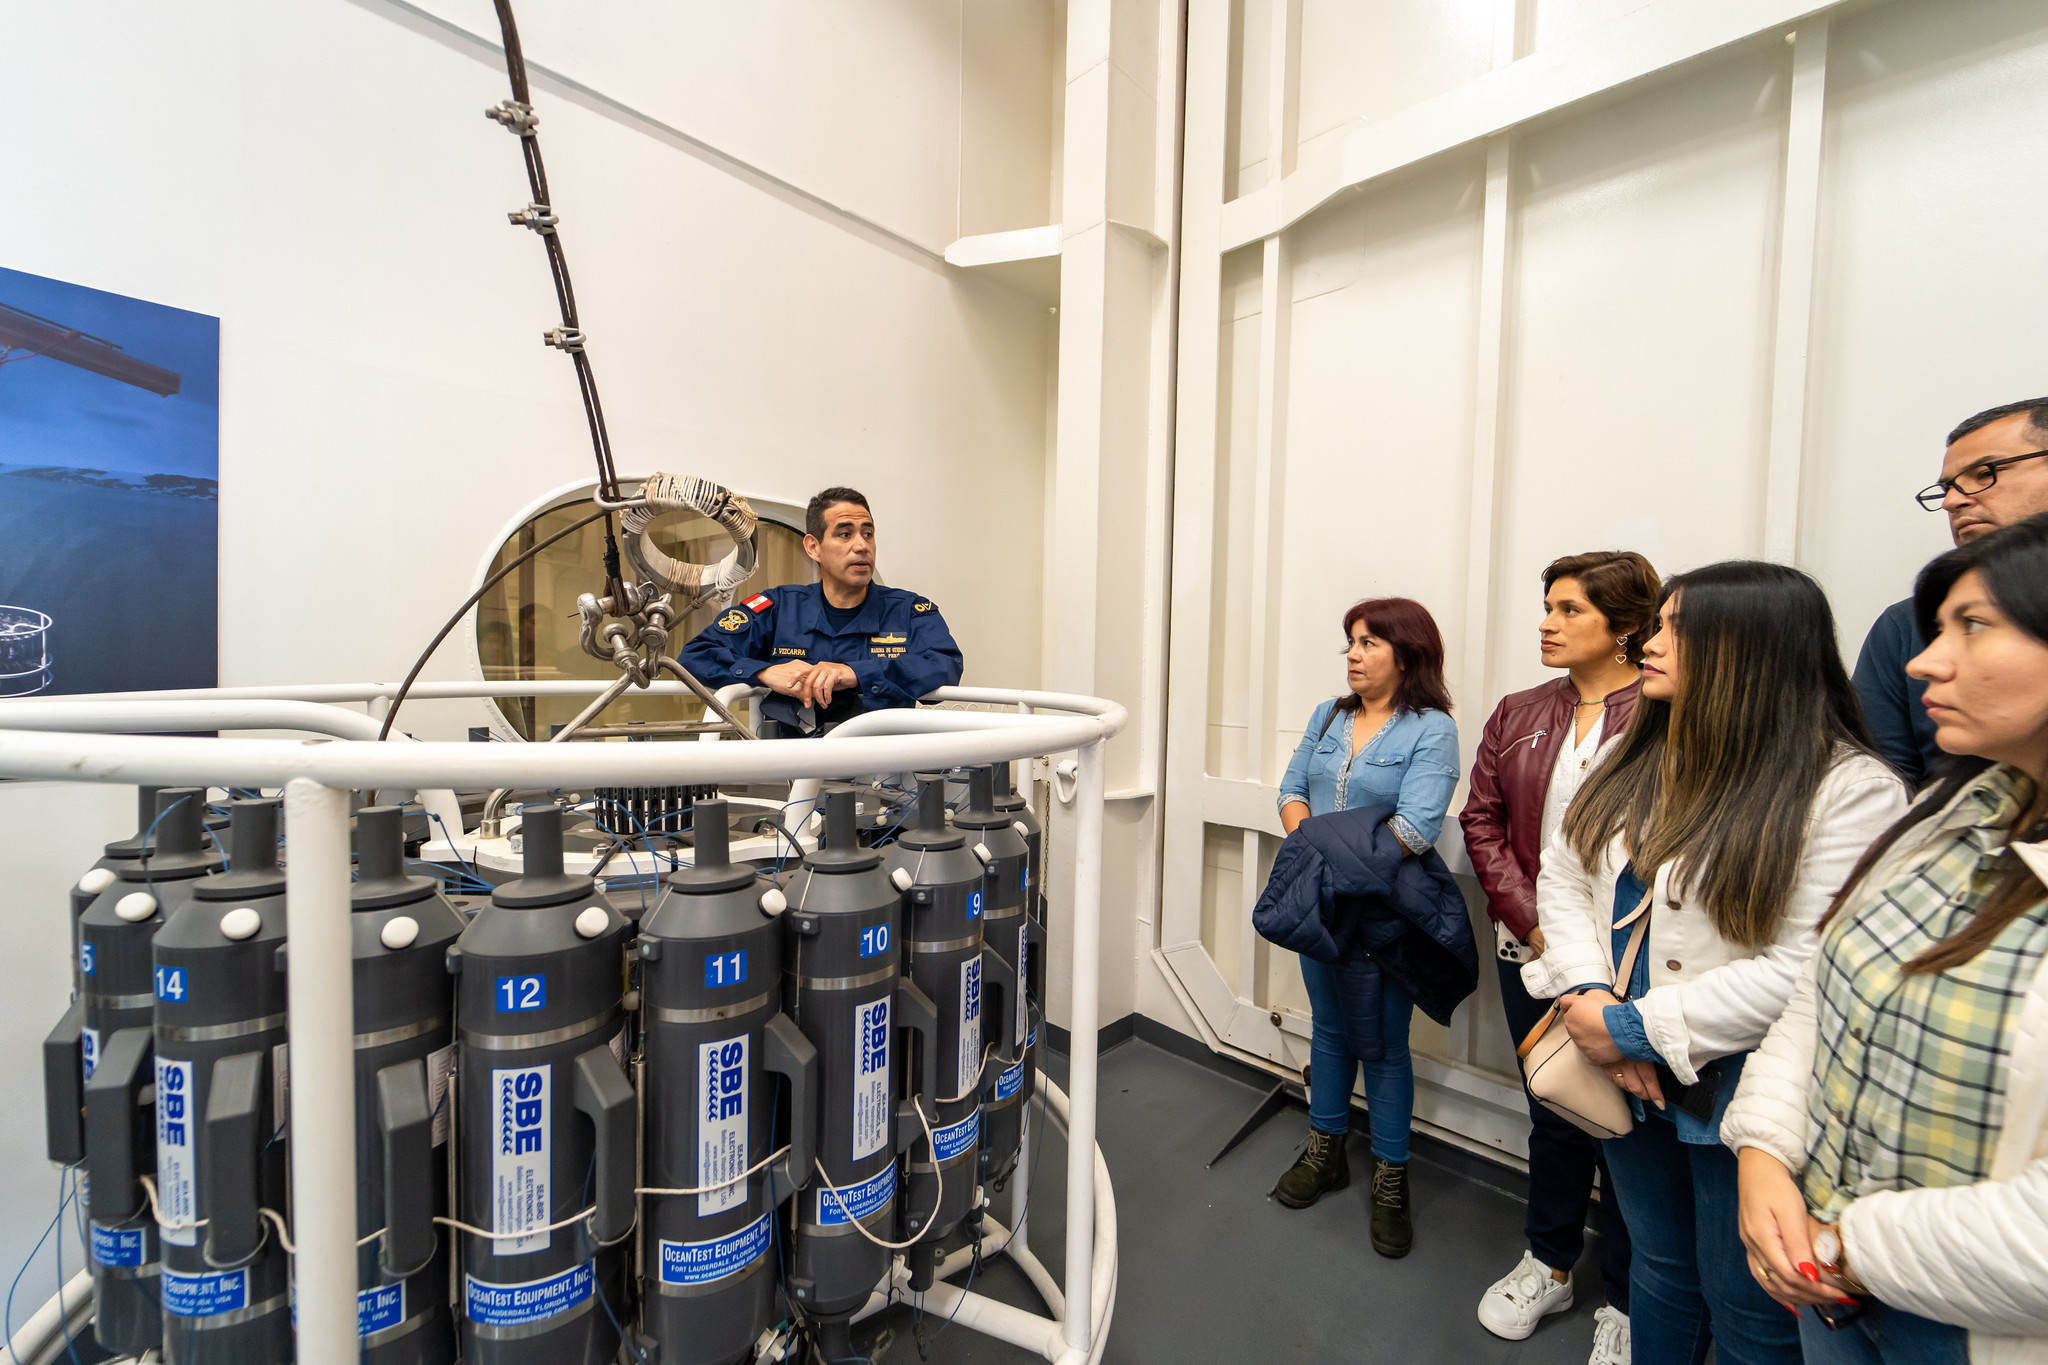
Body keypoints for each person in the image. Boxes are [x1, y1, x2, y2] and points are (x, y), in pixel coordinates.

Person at [1524, 562, 1906, 1365]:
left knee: (1747, 1311)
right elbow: (1563, 875)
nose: (1649, 641)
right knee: (1660, 1269)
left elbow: (1810, 966)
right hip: (1623, 1069)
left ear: (1749, 648)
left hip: (1736, 1085)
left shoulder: (1847, 788)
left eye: (1673, 628)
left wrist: (1630, 1028)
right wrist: (1592, 1001)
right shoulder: (1641, 750)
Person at [1727, 513, 2048, 1363]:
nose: (1922, 661)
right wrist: (1763, 1150)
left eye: (1973, 625)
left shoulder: (1862, 787)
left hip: (1966, 1319)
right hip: (1828, 1282)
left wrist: (1844, 1247)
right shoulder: (1948, 807)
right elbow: (1822, 989)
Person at [1462, 551, 1661, 1363]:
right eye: (1548, 605)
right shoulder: (1519, 711)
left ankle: (1629, 1296)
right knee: (1554, 1105)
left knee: (1630, 1128)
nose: (1547, 622)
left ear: (1626, 627)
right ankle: (1548, 1262)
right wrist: (1532, 919)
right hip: (1529, 947)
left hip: (1627, 961)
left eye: (1570, 609)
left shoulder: (1662, 711)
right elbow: (1482, 819)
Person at [1270, 597, 1460, 1257]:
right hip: (1319, 904)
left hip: (1383, 912)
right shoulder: (1328, 715)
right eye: (1351, 641)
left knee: (1381, 1044)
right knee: (1328, 1028)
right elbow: (1291, 792)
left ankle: (1390, 1174)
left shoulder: (1431, 729)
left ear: (1407, 654)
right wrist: (1319, 860)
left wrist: (1323, 859)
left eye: (1369, 642)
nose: (1352, 654)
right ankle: (1326, 1149)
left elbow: (1416, 827)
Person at [1855, 397, 2048, 787]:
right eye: (1947, 487)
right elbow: (1882, 785)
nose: (1951, 501)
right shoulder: (1903, 624)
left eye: (1984, 473)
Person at [677, 487, 963, 735]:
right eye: (845, 534)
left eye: (868, 534)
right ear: (814, 547)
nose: (862, 546)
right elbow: (695, 655)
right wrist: (765, 672)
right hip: (794, 765)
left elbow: (946, 665)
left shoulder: (909, 611)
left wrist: (855, 673)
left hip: (885, 765)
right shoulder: (779, 608)